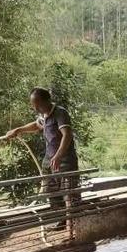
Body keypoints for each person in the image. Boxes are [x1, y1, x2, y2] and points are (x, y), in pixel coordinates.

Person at [6, 87, 79, 231]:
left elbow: (67, 135)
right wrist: (18, 130)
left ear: (47, 101)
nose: (35, 107)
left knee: (68, 195)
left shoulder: (60, 113)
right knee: (52, 193)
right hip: (49, 161)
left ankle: (74, 228)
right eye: (34, 105)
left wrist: (59, 155)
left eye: (37, 104)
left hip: (65, 162)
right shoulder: (43, 115)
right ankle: (62, 222)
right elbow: (36, 125)